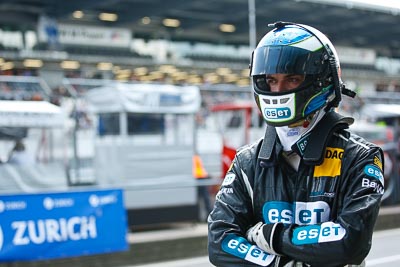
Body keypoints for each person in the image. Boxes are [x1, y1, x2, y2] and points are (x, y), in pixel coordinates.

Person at [208, 21, 384, 267]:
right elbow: (220, 242)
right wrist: (281, 264)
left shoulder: (360, 157)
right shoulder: (246, 161)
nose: (277, 90)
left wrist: (274, 236)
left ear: (322, 79)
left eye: (292, 79)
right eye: (270, 80)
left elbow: (350, 242)